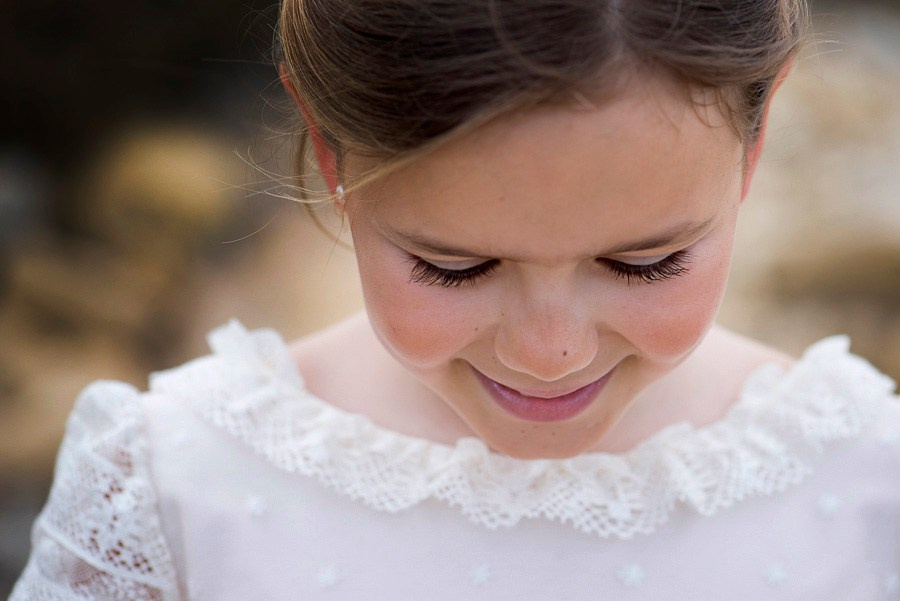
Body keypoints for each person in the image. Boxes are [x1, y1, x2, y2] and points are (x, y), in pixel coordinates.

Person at [11, 1, 900, 599]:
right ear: (330, 155)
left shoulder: (869, 489)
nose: (546, 351)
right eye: (454, 268)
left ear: (756, 140)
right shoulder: (163, 487)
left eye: (646, 263)